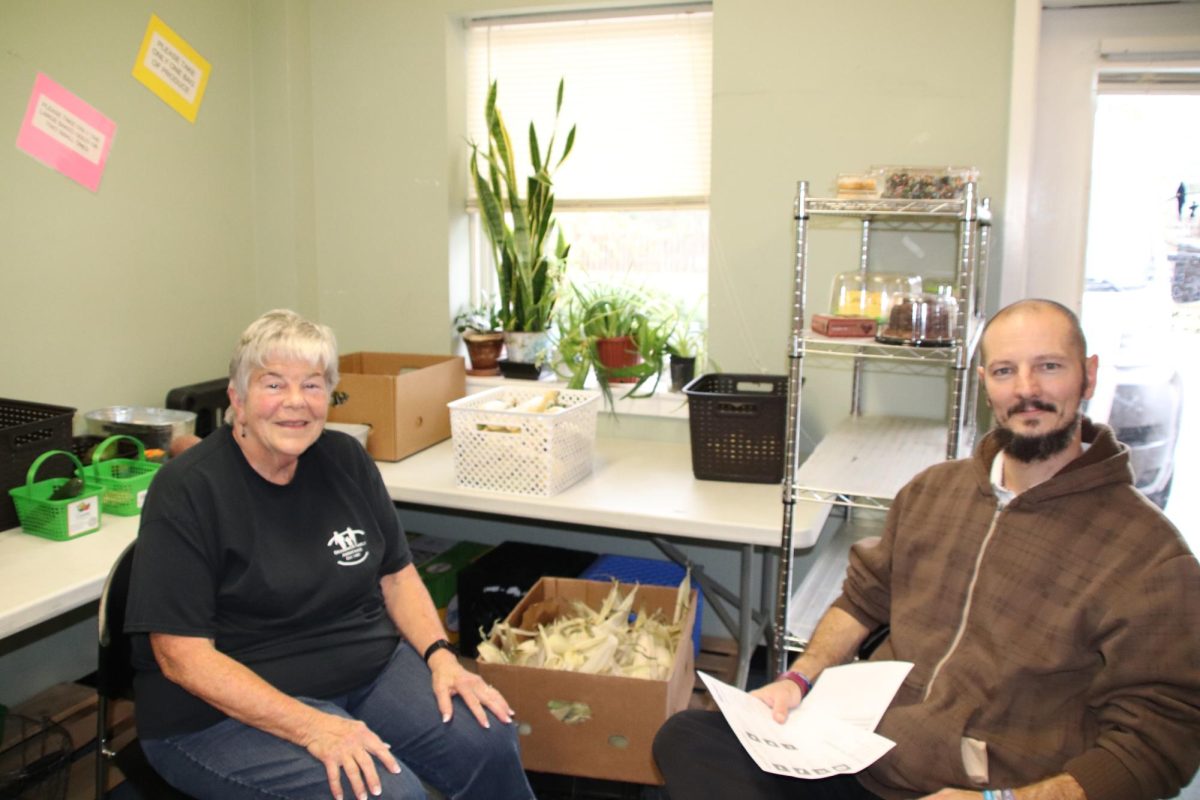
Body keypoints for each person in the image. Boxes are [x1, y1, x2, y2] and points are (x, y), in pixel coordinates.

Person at [653, 299, 1200, 800]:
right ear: (984, 383)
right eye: (1006, 371)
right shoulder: (934, 491)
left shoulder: (1150, 558)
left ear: (1089, 376)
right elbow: (863, 600)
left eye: (1049, 366)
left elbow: (1158, 744)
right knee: (687, 739)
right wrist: (799, 679)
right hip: (857, 756)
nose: (1027, 389)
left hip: (994, 789)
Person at [125, 309, 534, 800]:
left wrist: (441, 657)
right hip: (215, 713)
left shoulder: (345, 459)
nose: (295, 403)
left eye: (313, 386)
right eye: (273, 385)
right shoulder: (188, 490)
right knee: (386, 793)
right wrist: (314, 725)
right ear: (237, 398)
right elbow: (182, 659)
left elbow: (398, 577)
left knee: (487, 739)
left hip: (365, 668)